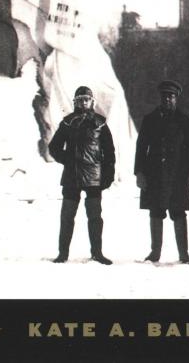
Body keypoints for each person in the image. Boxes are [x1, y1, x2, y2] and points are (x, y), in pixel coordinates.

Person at [48, 85, 115, 265]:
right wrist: (67, 160)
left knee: (95, 217)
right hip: (72, 176)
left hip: (94, 176)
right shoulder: (67, 122)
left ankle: (97, 253)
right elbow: (53, 147)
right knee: (67, 216)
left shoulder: (101, 123)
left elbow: (110, 152)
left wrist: (108, 174)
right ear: (76, 102)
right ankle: (63, 254)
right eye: (80, 100)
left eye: (87, 99)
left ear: (91, 102)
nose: (84, 102)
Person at [134, 80, 189, 264]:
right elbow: (141, 148)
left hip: (178, 175)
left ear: (176, 98)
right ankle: (155, 252)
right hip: (155, 175)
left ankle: (183, 254)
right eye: (165, 96)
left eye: (171, 96)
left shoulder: (183, 120)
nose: (168, 99)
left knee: (179, 213)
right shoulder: (150, 119)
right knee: (155, 212)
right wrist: (139, 173)